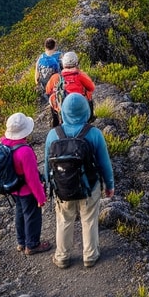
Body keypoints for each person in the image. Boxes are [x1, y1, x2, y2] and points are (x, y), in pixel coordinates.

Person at [43, 92, 115, 269]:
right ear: (86, 110)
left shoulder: (53, 135)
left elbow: (47, 165)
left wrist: (48, 185)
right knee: (88, 219)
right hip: (89, 187)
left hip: (63, 188)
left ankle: (62, 257)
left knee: (64, 220)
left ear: (64, 111)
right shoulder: (94, 134)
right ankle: (90, 256)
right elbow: (104, 163)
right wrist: (109, 185)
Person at [0, 112, 50, 255]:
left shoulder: (4, 144)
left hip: (14, 188)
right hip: (26, 190)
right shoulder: (25, 151)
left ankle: (21, 242)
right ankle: (32, 245)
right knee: (32, 216)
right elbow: (32, 178)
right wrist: (41, 197)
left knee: (20, 213)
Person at [44, 50, 96, 127]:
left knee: (52, 97)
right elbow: (91, 88)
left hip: (62, 109)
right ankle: (90, 119)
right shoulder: (81, 75)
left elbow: (47, 91)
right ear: (76, 63)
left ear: (63, 64)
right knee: (88, 94)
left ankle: (56, 124)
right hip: (79, 108)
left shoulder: (55, 77)